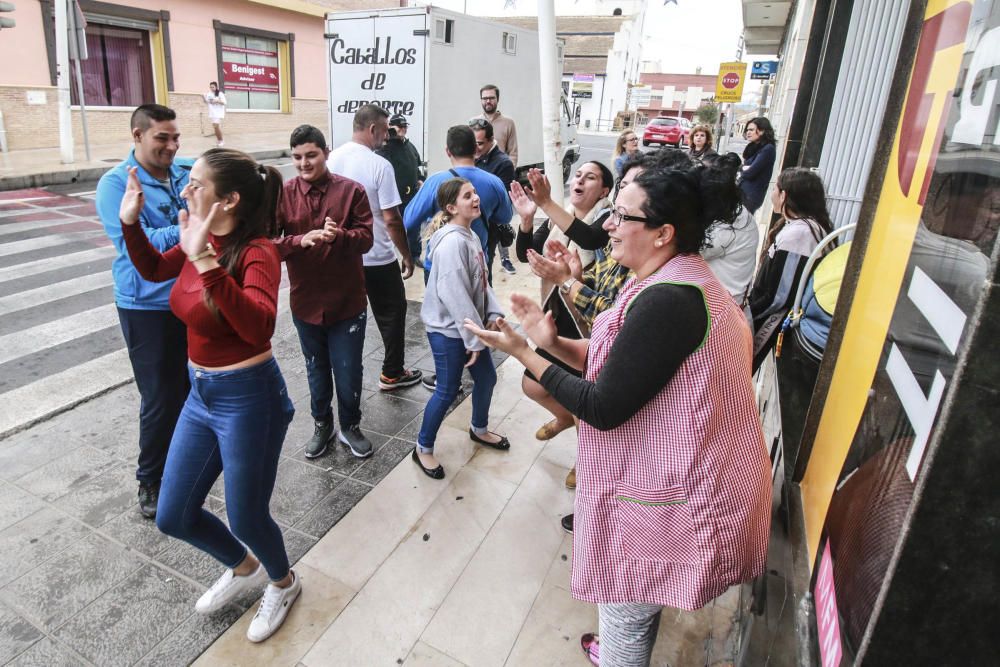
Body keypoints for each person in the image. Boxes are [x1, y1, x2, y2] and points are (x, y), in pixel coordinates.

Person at [465, 162, 771, 667]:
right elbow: (624, 359)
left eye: (621, 215)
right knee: (635, 606)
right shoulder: (670, 279)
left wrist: (524, 353)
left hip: (675, 497)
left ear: (662, 233)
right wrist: (552, 341)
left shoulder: (672, 300)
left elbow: (603, 405)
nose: (607, 224)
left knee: (627, 612)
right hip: (678, 482)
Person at [117, 148, 300, 643]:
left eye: (196, 184)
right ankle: (245, 568)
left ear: (230, 200)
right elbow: (155, 271)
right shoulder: (200, 236)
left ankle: (282, 582)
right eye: (189, 182)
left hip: (249, 397)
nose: (185, 191)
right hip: (200, 395)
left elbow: (259, 325)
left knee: (246, 513)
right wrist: (130, 224)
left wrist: (203, 259)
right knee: (173, 514)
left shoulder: (255, 250)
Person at [96, 104, 192, 519]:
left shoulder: (185, 171)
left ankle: (182, 465)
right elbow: (142, 243)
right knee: (159, 395)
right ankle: (149, 479)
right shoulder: (115, 184)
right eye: (161, 139)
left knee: (190, 387)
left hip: (186, 296)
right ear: (137, 136)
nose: (171, 146)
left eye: (175, 138)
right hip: (144, 304)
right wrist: (190, 225)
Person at [275, 125, 376, 460]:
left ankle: (350, 425)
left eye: (311, 155)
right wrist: (298, 240)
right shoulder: (283, 194)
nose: (304, 163)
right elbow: (267, 244)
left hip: (347, 301)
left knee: (348, 369)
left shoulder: (352, 191)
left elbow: (366, 239)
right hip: (305, 301)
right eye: (297, 157)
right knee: (315, 368)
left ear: (326, 153)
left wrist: (339, 237)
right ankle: (322, 425)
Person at [404, 125, 512, 391]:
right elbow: (505, 218)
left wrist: (419, 244)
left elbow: (408, 219)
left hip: (438, 266)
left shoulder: (436, 182)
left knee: (448, 320)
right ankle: (476, 367)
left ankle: (447, 376)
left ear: (447, 151)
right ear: (476, 149)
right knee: (475, 311)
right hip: (479, 260)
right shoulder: (491, 182)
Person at [413, 178, 509, 479]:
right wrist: (475, 338)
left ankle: (478, 429)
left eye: (475, 193)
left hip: (467, 329)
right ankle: (422, 448)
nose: (476, 198)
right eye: (468, 196)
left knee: (487, 379)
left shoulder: (469, 235)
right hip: (448, 332)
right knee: (446, 390)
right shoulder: (453, 243)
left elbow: (481, 281)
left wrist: (493, 311)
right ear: (451, 207)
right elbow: (454, 293)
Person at [511, 162, 613, 443]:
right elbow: (525, 254)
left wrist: (546, 202)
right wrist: (528, 219)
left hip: (585, 322)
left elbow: (589, 238)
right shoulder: (561, 215)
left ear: (604, 190)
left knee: (581, 398)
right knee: (533, 384)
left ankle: (586, 459)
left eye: (590, 177)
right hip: (556, 313)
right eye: (578, 174)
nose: (579, 180)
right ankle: (564, 418)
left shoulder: (608, 216)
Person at [328, 104, 423, 391]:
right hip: (377, 256)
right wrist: (406, 254)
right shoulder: (379, 164)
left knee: (346, 318)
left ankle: (343, 374)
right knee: (393, 312)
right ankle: (392, 373)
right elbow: (392, 219)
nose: (386, 136)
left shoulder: (332, 159)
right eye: (383, 130)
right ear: (371, 129)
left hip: (342, 256)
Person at [749, 167, 835, 371]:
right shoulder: (807, 228)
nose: (772, 195)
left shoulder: (800, 235)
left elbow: (779, 296)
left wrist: (749, 314)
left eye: (775, 189)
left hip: (770, 321)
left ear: (784, 195)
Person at [700, 152, 759, 306]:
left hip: (721, 307)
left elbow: (688, 249)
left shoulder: (730, 225)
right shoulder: (734, 213)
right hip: (723, 300)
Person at [470, 118, 518, 277]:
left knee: (483, 275)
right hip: (467, 227)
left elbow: (504, 205)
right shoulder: (472, 156)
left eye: (480, 143)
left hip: (487, 230)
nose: (475, 148)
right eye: (472, 143)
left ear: (491, 140)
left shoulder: (503, 164)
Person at [377, 113, 423, 210]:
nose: (403, 128)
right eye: (399, 126)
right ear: (390, 127)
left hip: (412, 200)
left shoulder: (410, 146)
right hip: (395, 201)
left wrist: (420, 180)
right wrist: (386, 139)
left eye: (405, 126)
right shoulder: (385, 147)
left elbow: (416, 168)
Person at [739, 116, 777, 214]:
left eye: (751, 130)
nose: (748, 132)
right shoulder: (754, 147)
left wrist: (742, 168)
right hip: (743, 193)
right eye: (747, 130)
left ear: (762, 131)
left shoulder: (768, 149)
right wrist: (744, 168)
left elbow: (750, 173)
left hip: (751, 196)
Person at [472, 84, 518, 166]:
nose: (488, 101)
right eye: (485, 98)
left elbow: (513, 153)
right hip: (480, 170)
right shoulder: (474, 123)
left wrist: (509, 171)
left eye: (491, 98)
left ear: (498, 99)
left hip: (500, 170)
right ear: (481, 100)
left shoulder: (508, 123)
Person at [204, 82, 226, 147]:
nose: (211, 88)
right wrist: (204, 97)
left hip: (218, 113)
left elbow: (224, 102)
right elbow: (207, 101)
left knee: (216, 126)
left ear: (216, 87)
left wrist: (217, 101)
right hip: (212, 113)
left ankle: (221, 141)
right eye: (210, 87)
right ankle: (219, 140)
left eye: (213, 87)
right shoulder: (209, 94)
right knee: (215, 127)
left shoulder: (220, 93)